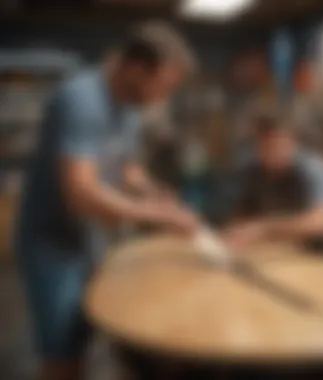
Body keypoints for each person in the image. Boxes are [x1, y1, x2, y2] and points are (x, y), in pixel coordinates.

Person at [14, 22, 199, 380]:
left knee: (96, 333)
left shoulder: (130, 106)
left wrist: (155, 194)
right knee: (64, 356)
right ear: (136, 69)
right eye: (164, 83)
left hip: (89, 240)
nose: (164, 96)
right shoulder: (80, 99)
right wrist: (157, 216)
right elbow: (80, 194)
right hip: (52, 246)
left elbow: (127, 170)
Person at [223, 110, 323, 261]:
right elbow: (243, 213)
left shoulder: (314, 168)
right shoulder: (252, 170)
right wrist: (235, 233)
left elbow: (321, 223)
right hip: (293, 253)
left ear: (292, 141)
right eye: (265, 146)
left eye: (278, 145)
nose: (273, 153)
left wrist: (263, 228)